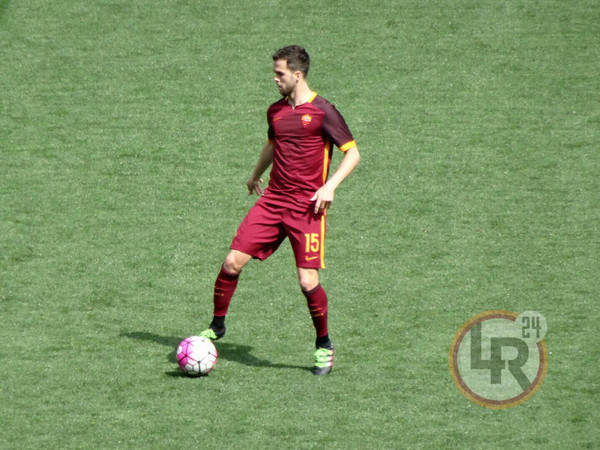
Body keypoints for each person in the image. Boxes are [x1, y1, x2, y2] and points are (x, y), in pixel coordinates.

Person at [200, 45, 360, 375]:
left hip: (307, 209)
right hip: (273, 201)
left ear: (297, 75)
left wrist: (329, 186)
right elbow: (273, 144)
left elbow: (353, 153)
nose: (275, 79)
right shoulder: (276, 111)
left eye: (279, 73)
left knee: (306, 281)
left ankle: (324, 346)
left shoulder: (323, 111)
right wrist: (255, 175)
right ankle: (217, 326)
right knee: (231, 262)